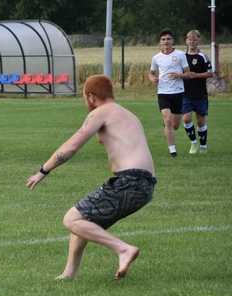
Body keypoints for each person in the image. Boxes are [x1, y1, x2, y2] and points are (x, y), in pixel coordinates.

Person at [26, 75, 157, 280]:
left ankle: (123, 249)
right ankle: (69, 273)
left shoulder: (101, 112)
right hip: (146, 185)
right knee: (83, 217)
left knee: (71, 219)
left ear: (91, 96)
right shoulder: (128, 114)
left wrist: (43, 171)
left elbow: (71, 147)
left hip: (129, 181)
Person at [148, 29, 190, 157]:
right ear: (160, 42)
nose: (166, 41)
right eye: (163, 39)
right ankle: (173, 150)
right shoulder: (156, 57)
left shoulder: (180, 55)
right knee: (167, 120)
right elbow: (151, 73)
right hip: (163, 92)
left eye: (168, 39)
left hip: (178, 93)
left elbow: (188, 74)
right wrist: (152, 79)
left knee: (175, 125)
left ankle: (168, 127)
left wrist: (179, 75)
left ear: (173, 41)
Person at [182, 30, 214, 154]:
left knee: (201, 121)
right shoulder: (182, 56)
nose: (192, 41)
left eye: (194, 39)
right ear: (186, 41)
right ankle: (193, 143)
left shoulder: (203, 56)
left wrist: (196, 75)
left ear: (198, 41)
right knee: (186, 119)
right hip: (185, 93)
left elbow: (210, 73)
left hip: (200, 94)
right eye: (189, 39)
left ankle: (203, 146)